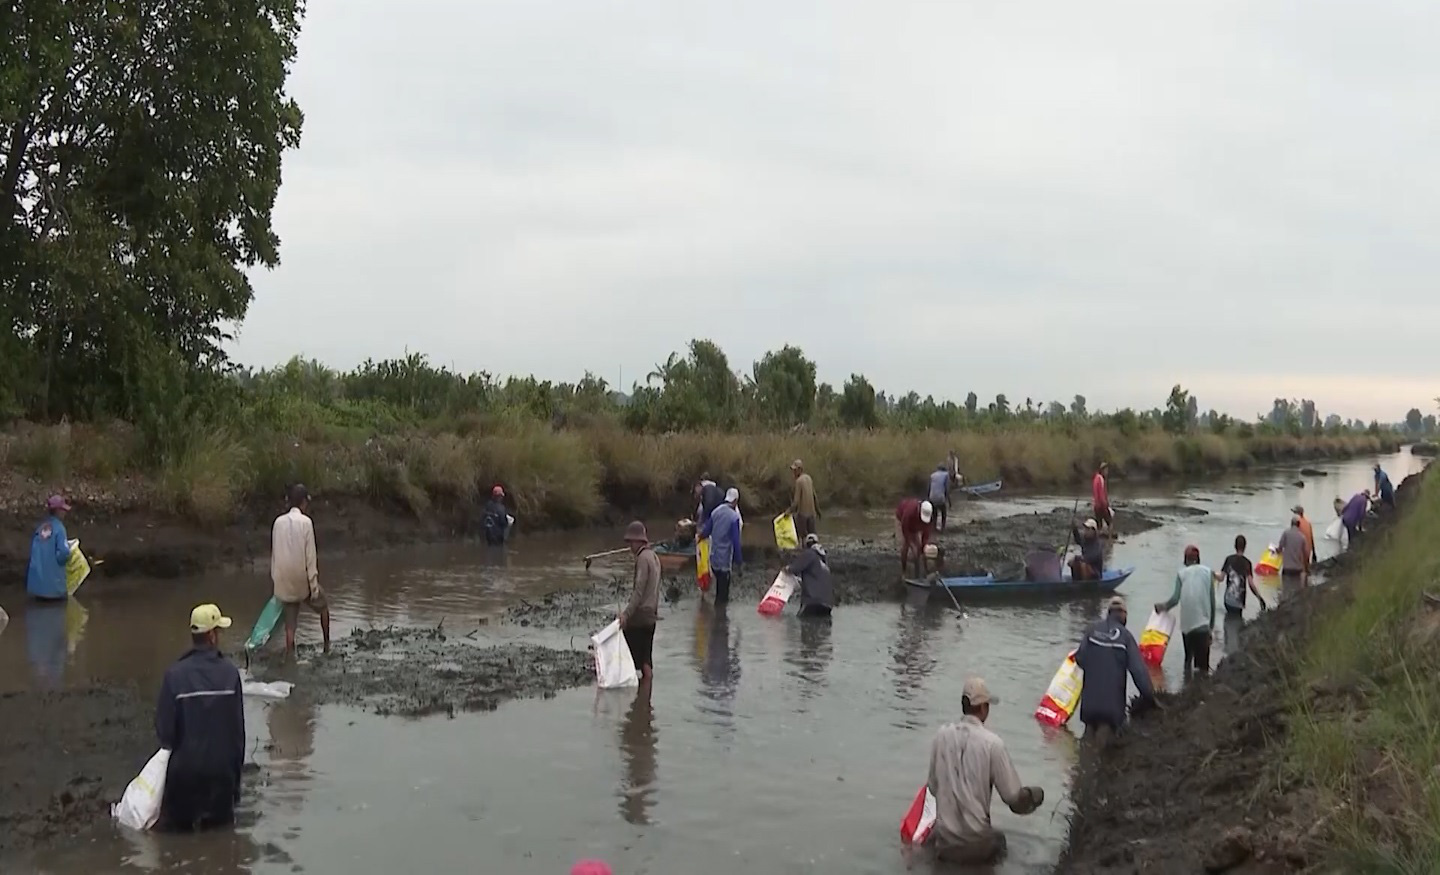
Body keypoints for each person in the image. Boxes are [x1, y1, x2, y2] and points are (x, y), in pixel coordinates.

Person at [925, 678, 1044, 864]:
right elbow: (1013, 799)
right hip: (977, 846)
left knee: (931, 842)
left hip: (945, 844)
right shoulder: (992, 744)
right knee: (999, 840)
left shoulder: (941, 736)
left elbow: (932, 788)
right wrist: (1032, 796)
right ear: (982, 708)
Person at [155, 604, 245, 832]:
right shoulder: (230, 674)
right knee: (222, 844)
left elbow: (165, 734)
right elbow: (237, 736)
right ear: (212, 636)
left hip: (184, 777)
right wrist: (235, 785)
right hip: (221, 777)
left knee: (177, 844)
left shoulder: (173, 675)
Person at [1074, 596, 1156, 741]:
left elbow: (1080, 658)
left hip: (1089, 706)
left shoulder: (1091, 631)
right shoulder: (1126, 637)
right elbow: (1139, 672)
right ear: (1123, 615)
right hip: (1112, 709)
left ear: (1109, 613)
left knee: (1087, 744)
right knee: (1103, 753)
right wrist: (1150, 697)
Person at [270, 484, 332, 655]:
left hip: (283, 582)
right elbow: (310, 558)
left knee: (290, 626)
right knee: (324, 607)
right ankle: (327, 645)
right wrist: (313, 587)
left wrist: (277, 584)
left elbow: (275, 555)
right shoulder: (306, 523)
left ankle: (290, 655)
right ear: (304, 503)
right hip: (301, 581)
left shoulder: (277, 522)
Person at [1155, 545, 1215, 676]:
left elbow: (1175, 599)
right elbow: (1212, 603)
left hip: (1187, 628)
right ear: (1198, 559)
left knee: (1188, 661)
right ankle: (1200, 691)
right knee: (1203, 668)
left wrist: (1162, 607)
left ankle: (1185, 686)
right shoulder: (1208, 572)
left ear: (1186, 560)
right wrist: (1211, 628)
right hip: (1203, 627)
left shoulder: (1181, 574)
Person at [619, 521, 660, 682]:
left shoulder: (642, 559)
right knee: (646, 660)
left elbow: (638, 590)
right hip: (651, 616)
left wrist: (626, 615)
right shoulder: (654, 556)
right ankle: (646, 698)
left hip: (641, 617)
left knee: (626, 652)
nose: (630, 546)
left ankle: (634, 698)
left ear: (638, 541)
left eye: (631, 542)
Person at [698, 488, 743, 604]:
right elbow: (736, 541)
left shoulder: (715, 512)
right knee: (723, 596)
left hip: (713, 559)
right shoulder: (734, 517)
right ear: (735, 501)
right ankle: (721, 618)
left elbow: (706, 531)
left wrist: (699, 538)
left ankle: (716, 618)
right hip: (725, 561)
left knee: (717, 589)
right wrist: (739, 562)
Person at [27, 495, 74, 600]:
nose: (65, 513)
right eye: (63, 510)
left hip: (36, 590)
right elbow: (63, 553)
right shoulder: (59, 529)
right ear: (58, 511)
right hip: (54, 590)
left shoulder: (39, 529)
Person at [787, 533, 834, 617]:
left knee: (802, 622)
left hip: (812, 601)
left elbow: (794, 569)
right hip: (828, 604)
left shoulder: (809, 553)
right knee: (823, 627)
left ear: (806, 544)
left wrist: (786, 569)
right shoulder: (824, 560)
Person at [1219, 534, 1266, 615]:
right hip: (1239, 601)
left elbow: (1221, 578)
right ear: (1245, 547)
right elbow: (1251, 584)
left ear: (1234, 546)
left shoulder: (1228, 559)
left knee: (1228, 619)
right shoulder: (1247, 563)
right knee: (1237, 621)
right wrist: (1259, 598)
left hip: (1227, 600)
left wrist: (1210, 573)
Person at [895, 498, 935, 578]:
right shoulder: (910, 511)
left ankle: (918, 572)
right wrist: (910, 543)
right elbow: (904, 528)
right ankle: (904, 572)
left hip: (914, 525)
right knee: (906, 546)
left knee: (918, 548)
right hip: (902, 519)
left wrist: (924, 546)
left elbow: (926, 535)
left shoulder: (929, 518)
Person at [786, 459, 819, 540]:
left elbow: (796, 501)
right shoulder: (809, 478)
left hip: (803, 515)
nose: (793, 472)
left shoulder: (799, 481)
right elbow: (814, 496)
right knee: (813, 538)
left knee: (803, 538)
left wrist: (788, 511)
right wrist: (818, 510)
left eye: (795, 470)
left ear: (800, 469)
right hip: (812, 514)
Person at [1276, 515, 1311, 589]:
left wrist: (1276, 551)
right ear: (1299, 525)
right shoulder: (1302, 537)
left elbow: (1280, 548)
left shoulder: (1286, 533)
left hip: (1287, 568)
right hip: (1298, 568)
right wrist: (1306, 568)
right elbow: (1305, 554)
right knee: (1296, 589)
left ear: (1291, 524)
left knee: (1285, 589)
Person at [928, 464, 952, 531]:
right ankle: (943, 528)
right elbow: (946, 489)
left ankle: (933, 527)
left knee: (934, 513)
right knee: (943, 512)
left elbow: (930, 487)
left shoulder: (932, 475)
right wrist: (949, 501)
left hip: (932, 497)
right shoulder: (946, 475)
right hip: (940, 497)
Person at [1091, 462, 1113, 534]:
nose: (1107, 472)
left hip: (1096, 505)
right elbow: (1101, 493)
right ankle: (1110, 538)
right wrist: (1105, 505)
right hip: (1101, 505)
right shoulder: (1101, 479)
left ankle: (1099, 537)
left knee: (1099, 524)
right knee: (1109, 521)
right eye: (1106, 470)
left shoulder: (1095, 478)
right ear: (1103, 470)